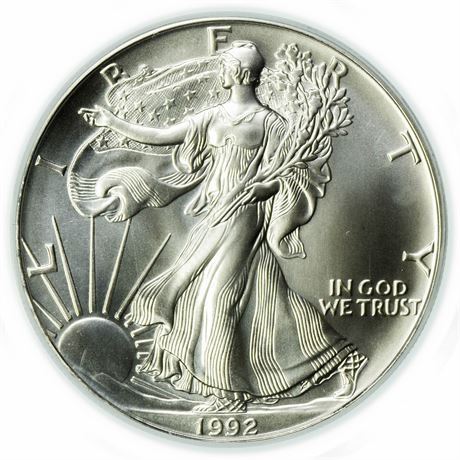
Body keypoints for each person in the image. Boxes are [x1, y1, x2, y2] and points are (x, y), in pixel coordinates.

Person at [81, 41, 366, 413]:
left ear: (242, 74)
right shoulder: (211, 117)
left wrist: (267, 187)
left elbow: (290, 173)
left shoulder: (270, 123)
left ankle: (228, 394)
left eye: (227, 66)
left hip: (245, 215)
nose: (222, 71)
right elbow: (161, 136)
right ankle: (341, 357)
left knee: (219, 298)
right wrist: (112, 122)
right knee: (254, 295)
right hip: (215, 214)